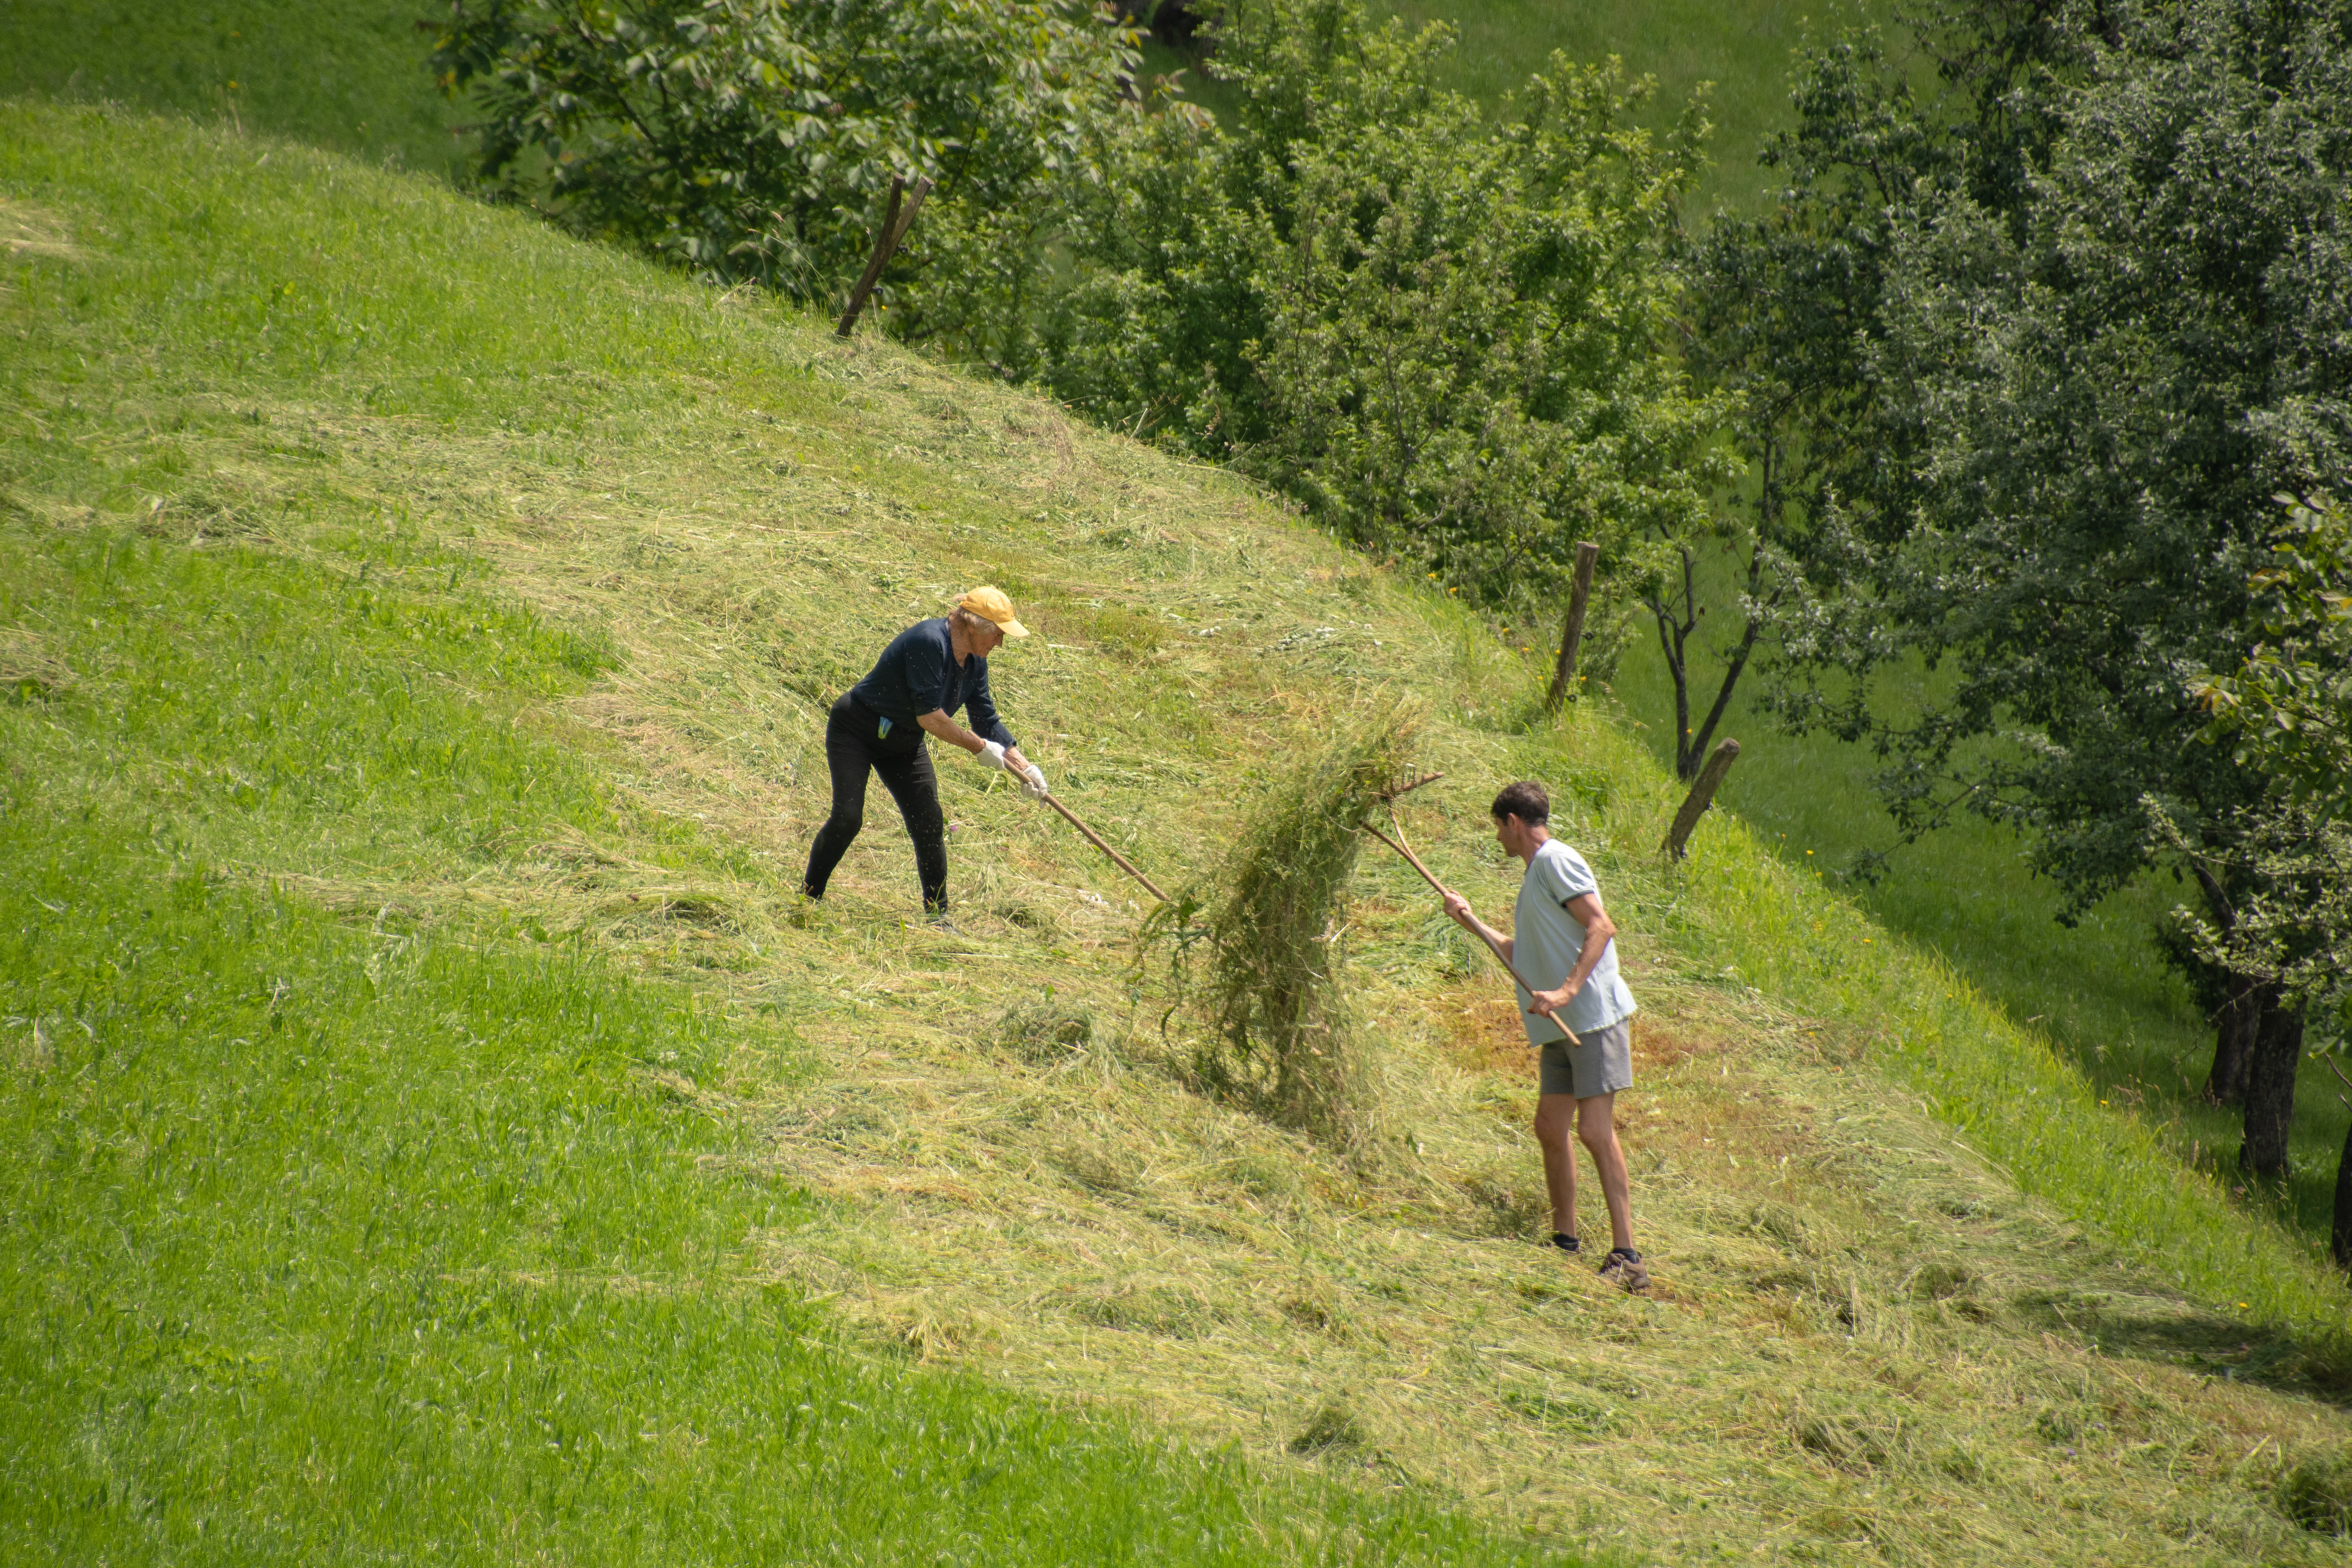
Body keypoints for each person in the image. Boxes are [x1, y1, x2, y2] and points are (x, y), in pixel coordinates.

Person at [1442, 780, 1647, 1291]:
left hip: (1592, 1020)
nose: (1497, 839)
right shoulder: (1538, 875)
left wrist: (1566, 990)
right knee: (1549, 1126)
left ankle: (1628, 1258)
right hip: (1559, 1026)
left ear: (1514, 822)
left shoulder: (1555, 860)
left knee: (1596, 1132)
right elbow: (1521, 954)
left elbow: (1602, 926)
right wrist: (1470, 921)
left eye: (1498, 827)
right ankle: (1565, 1241)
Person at [800, 587, 1048, 923]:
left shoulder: (976, 663)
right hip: (856, 730)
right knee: (848, 818)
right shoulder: (929, 642)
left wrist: (1025, 766)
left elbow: (986, 719)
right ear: (975, 625)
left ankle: (938, 917)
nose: (1001, 643)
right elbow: (930, 716)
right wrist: (978, 748)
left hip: (903, 742)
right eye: (999, 634)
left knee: (929, 822)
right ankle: (809, 898)